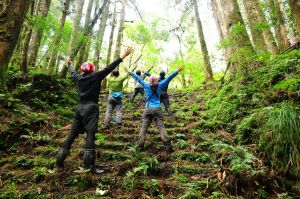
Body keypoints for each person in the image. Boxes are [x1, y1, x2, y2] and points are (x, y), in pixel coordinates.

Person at [56, 47, 134, 173]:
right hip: (91, 108)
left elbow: (72, 72)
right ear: (92, 69)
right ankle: (89, 166)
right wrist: (123, 55)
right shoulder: (96, 76)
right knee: (90, 134)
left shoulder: (78, 78)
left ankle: (59, 162)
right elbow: (109, 67)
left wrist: (69, 64)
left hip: (79, 108)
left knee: (72, 134)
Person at [126, 65, 184, 153]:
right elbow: (169, 78)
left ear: (149, 80)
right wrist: (177, 71)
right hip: (157, 108)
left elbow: (138, 78)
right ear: (157, 80)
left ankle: (139, 147)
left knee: (144, 128)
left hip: (148, 108)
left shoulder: (146, 84)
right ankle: (168, 147)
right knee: (161, 128)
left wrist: (129, 71)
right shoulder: (160, 85)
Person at [104, 63, 138, 129]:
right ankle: (118, 123)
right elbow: (128, 73)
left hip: (110, 96)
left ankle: (106, 124)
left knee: (109, 111)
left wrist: (109, 69)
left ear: (113, 74)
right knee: (118, 110)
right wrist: (133, 67)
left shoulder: (109, 79)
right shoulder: (120, 79)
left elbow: (106, 74)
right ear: (118, 74)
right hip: (118, 97)